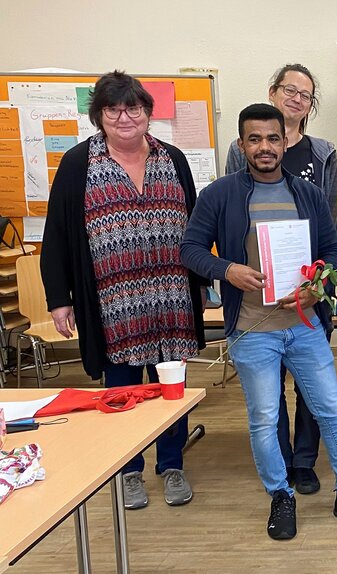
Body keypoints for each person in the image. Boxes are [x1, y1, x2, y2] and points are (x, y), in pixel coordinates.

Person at [181, 104, 337, 540]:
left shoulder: (308, 194)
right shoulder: (219, 194)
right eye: (254, 139)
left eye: (272, 139)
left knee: (331, 409)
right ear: (242, 145)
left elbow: (333, 251)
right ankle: (281, 495)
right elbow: (191, 250)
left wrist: (320, 284)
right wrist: (227, 270)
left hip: (305, 326)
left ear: (285, 141)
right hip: (252, 330)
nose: (264, 147)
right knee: (263, 417)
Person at [41, 70, 206, 511]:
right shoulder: (79, 164)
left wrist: (205, 282)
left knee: (172, 386)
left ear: (147, 113)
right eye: (113, 109)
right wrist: (60, 298)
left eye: (133, 107)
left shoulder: (173, 159)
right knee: (122, 390)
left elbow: (195, 226)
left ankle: (172, 464)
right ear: (99, 116)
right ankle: (129, 470)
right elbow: (56, 234)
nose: (124, 117)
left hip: (172, 298)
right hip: (113, 305)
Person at [225, 64, 337, 494]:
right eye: (289, 89)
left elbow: (326, 222)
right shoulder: (245, 148)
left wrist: (318, 283)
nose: (296, 98)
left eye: (305, 94)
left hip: (305, 292)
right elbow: (233, 213)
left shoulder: (323, 152)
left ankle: (305, 460)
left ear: (311, 105)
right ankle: (280, 461)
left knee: (313, 388)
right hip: (256, 299)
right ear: (273, 93)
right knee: (267, 394)